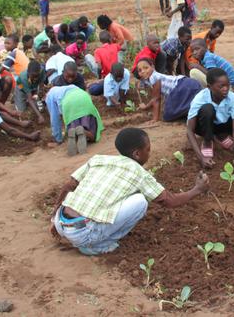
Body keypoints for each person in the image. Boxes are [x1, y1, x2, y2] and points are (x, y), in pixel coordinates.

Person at [49, 127, 210, 255]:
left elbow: (68, 186)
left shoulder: (100, 159)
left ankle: (67, 227)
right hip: (83, 234)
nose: (150, 152)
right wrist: (197, 189)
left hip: (61, 221)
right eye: (148, 149)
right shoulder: (138, 172)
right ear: (137, 154)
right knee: (140, 201)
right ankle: (97, 246)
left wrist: (54, 217)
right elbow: (169, 201)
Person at [186, 68, 234, 171]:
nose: (226, 89)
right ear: (209, 87)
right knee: (207, 109)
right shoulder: (200, 98)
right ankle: (208, 141)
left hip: (224, 125)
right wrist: (201, 158)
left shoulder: (232, 98)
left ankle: (223, 136)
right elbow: (189, 130)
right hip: (205, 126)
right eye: (221, 86)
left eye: (227, 85)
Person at [136, 58, 202, 122]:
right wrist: (146, 106)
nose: (143, 71)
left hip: (182, 87)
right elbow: (154, 98)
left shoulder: (154, 77)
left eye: (146, 68)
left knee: (168, 115)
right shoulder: (151, 78)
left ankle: (190, 114)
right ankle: (192, 114)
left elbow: (156, 99)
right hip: (189, 84)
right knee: (185, 106)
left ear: (152, 67)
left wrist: (155, 119)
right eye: (140, 70)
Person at [45, 84, 103, 156]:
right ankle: (84, 132)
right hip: (84, 97)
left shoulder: (49, 97)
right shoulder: (71, 87)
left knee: (73, 128)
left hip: (68, 102)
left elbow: (55, 118)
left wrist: (58, 139)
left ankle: (75, 135)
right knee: (92, 134)